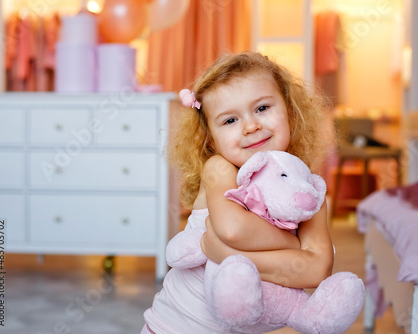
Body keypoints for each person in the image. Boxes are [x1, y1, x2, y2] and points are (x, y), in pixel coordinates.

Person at [141, 51, 336, 334]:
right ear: (210, 137)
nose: (250, 126)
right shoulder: (219, 170)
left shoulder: (306, 189)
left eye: (262, 108)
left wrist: (221, 251)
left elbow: (318, 272)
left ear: (290, 111)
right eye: (229, 121)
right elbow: (233, 229)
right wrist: (296, 248)